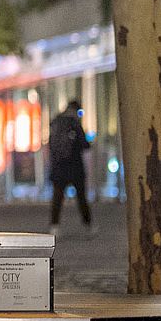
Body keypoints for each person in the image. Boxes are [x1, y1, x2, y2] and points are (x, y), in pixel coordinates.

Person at [47, 99, 93, 233]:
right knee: (81, 197)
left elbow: (51, 145)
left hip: (59, 167)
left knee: (57, 197)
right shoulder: (74, 123)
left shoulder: (56, 121)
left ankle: (54, 226)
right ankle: (87, 225)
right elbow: (84, 144)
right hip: (75, 166)